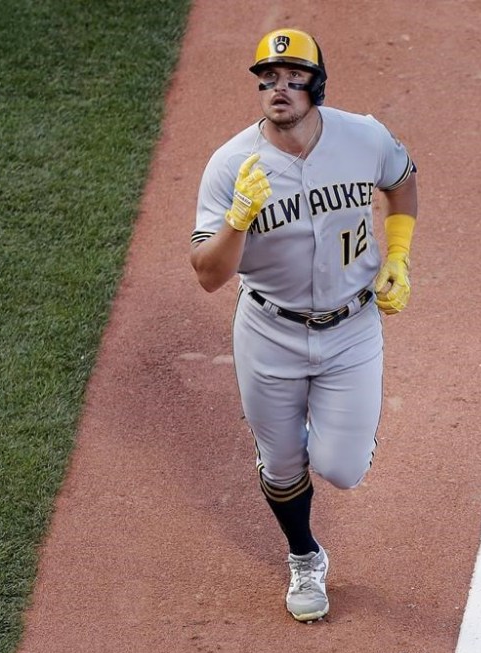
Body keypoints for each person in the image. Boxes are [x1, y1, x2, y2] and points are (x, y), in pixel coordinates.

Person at [189, 27, 418, 622]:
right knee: (283, 462)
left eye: (293, 79)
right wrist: (238, 220)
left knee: (342, 469)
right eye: (268, 80)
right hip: (270, 332)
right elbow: (208, 275)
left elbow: (401, 179)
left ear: (317, 86)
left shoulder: (362, 137)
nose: (279, 90)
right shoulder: (231, 165)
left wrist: (397, 255)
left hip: (352, 328)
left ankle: (324, 434)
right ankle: (304, 556)